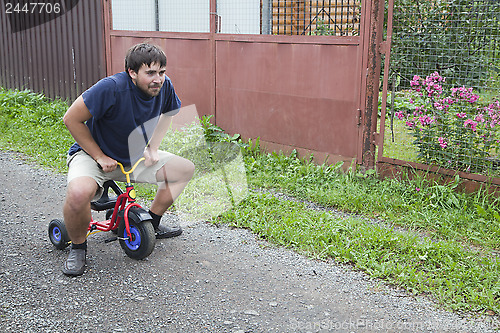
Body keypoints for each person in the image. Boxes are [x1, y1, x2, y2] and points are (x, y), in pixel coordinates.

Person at [61, 43, 195, 276]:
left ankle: (151, 224)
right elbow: (71, 119)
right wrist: (99, 156)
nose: (158, 79)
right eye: (150, 73)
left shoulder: (165, 87)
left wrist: (153, 148)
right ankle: (78, 247)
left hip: (132, 158)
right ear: (132, 73)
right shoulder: (110, 88)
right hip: (92, 156)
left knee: (184, 170)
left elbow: (168, 113)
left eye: (161, 72)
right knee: (78, 194)